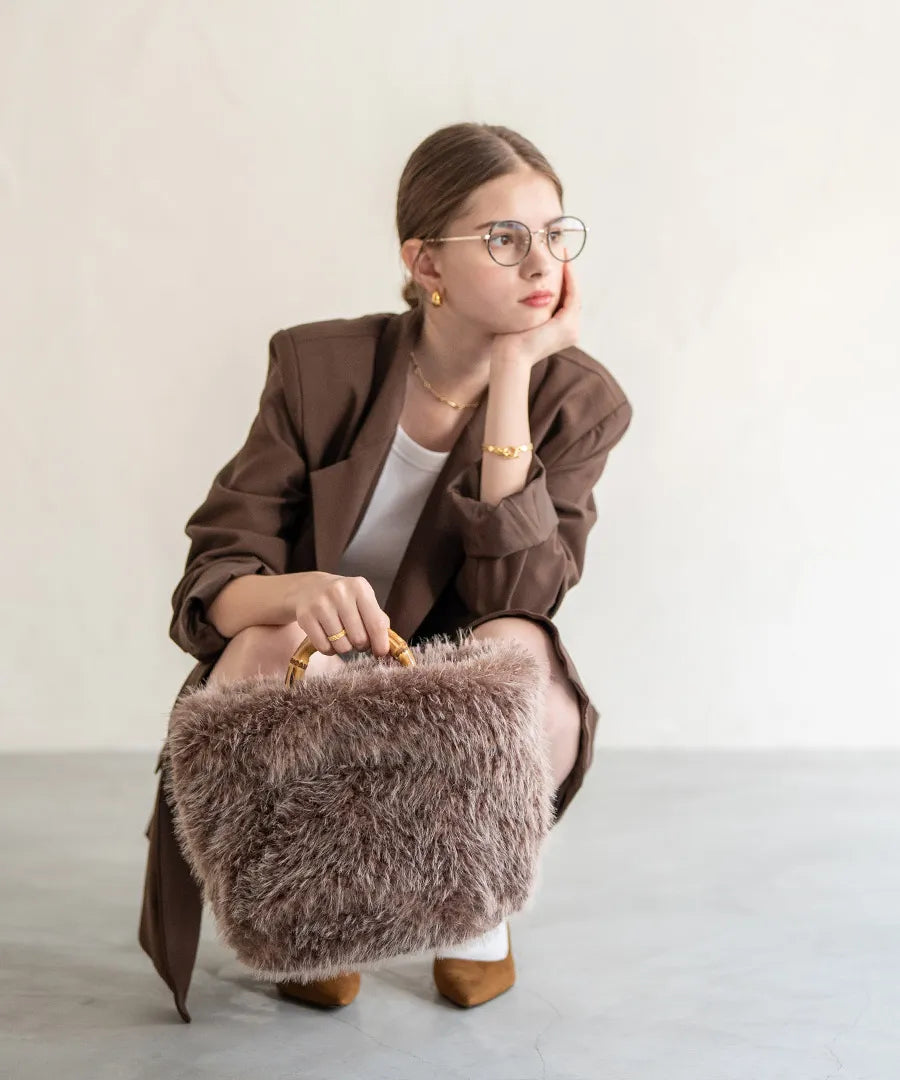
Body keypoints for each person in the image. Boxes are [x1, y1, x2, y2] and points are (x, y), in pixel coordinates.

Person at [139, 121, 634, 1021]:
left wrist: (515, 374)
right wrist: (296, 590)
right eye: (504, 238)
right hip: (316, 668)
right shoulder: (317, 367)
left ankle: (472, 904)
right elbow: (212, 574)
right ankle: (311, 905)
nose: (541, 263)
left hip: (446, 683)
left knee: (521, 651)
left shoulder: (581, 402)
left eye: (555, 234)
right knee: (272, 635)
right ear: (426, 262)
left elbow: (519, 598)